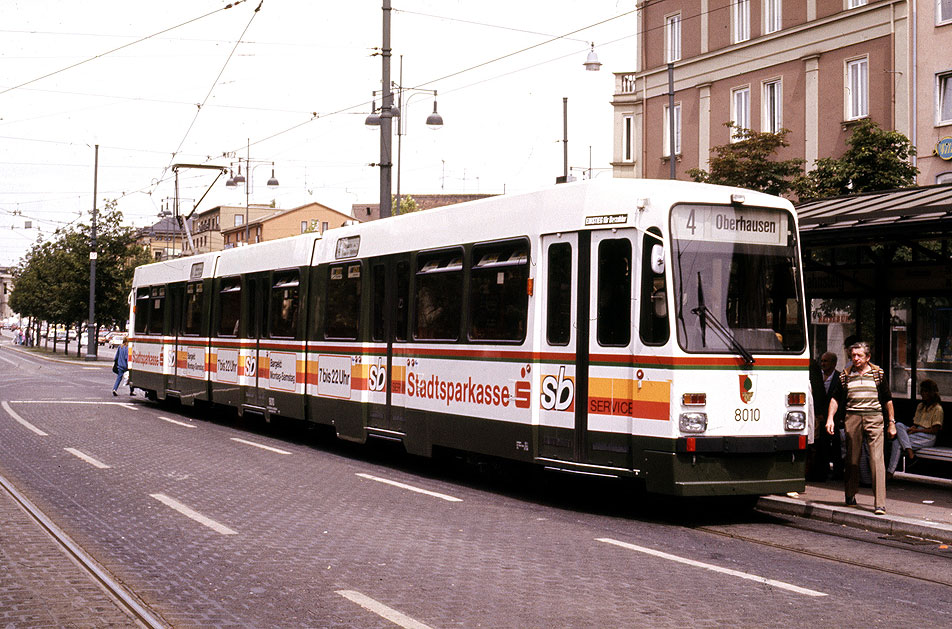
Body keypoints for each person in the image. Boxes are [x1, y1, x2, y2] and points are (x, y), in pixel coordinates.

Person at [826, 341, 896, 515]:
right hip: (853, 417)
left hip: (874, 418)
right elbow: (835, 398)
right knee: (852, 458)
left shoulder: (878, 374)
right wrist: (830, 419)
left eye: (859, 356)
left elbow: (887, 399)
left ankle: (880, 503)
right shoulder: (846, 375)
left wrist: (892, 422)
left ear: (868, 357)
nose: (855, 359)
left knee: (876, 459)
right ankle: (850, 495)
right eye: (853, 355)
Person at [887, 379, 944, 476]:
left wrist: (915, 430)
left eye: (925, 391)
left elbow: (934, 430)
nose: (922, 394)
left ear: (931, 393)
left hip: (927, 436)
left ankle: (890, 472)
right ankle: (910, 453)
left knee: (897, 442)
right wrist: (912, 429)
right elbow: (916, 423)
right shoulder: (921, 406)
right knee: (899, 425)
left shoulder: (937, 408)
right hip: (916, 433)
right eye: (921, 391)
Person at [808, 351, 843, 480]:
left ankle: (838, 472)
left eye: (826, 361)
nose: (823, 364)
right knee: (820, 445)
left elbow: (841, 399)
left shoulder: (840, 378)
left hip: (834, 418)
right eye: (822, 361)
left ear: (834, 363)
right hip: (819, 416)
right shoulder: (816, 377)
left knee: (835, 445)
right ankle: (822, 470)